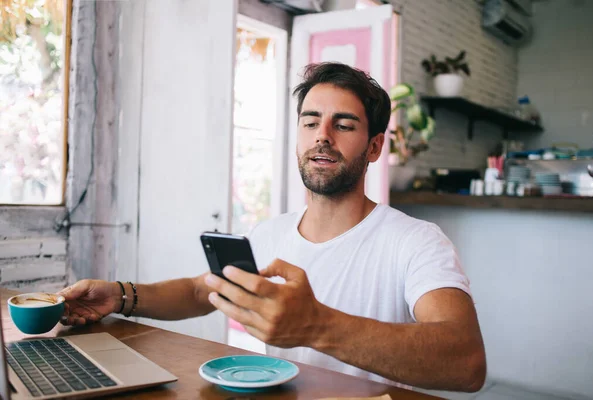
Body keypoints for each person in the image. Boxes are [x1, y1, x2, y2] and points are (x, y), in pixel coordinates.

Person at [59, 62, 486, 392]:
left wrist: (316, 325)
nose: (323, 136)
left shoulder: (416, 241)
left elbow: (466, 363)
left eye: (344, 124)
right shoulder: (270, 234)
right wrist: (118, 296)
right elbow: (198, 291)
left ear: (374, 146)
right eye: (310, 121)